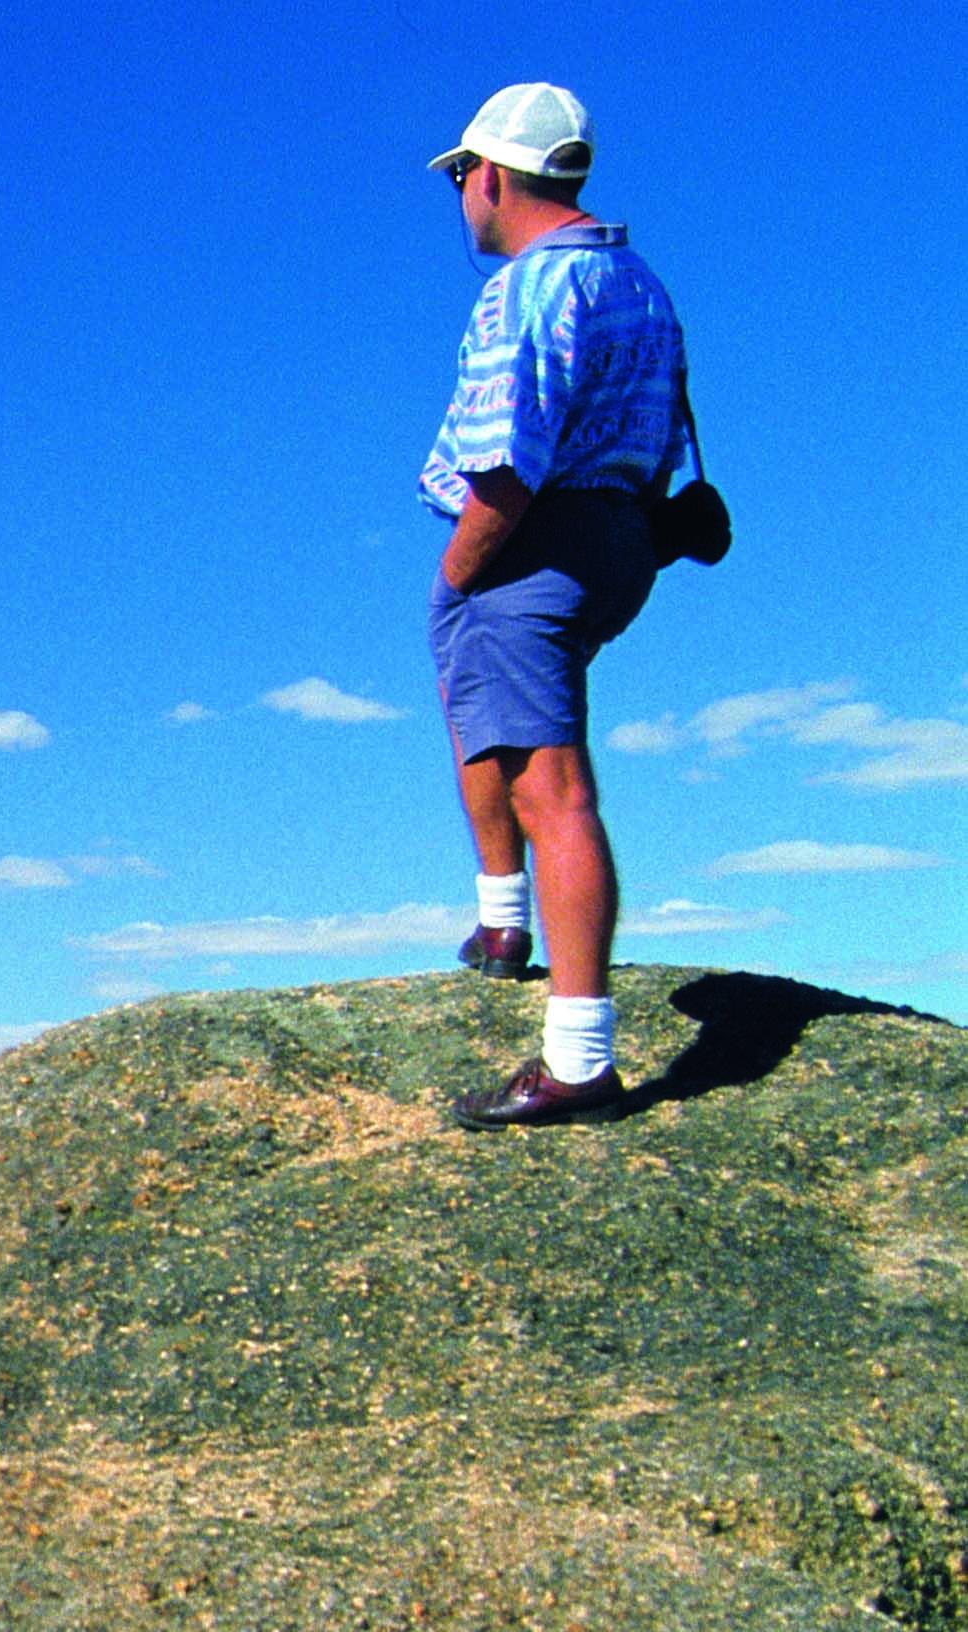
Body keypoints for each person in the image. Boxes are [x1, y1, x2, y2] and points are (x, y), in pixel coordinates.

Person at [419, 82, 689, 1130]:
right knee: (481, 700)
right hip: (621, 535)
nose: (459, 197)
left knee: (555, 788)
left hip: (537, 540)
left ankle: (577, 1059)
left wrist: (458, 572)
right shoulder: (636, 280)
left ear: (490, 173)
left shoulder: (527, 290)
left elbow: (507, 463)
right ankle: (499, 926)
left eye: (458, 177)